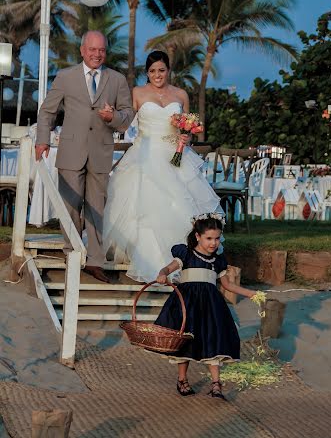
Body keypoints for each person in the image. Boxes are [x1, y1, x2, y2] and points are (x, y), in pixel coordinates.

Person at [103, 50, 222, 282]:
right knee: (146, 209)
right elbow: (124, 121)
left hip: (176, 155)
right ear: (147, 73)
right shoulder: (137, 92)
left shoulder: (180, 94)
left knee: (180, 204)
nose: (157, 75)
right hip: (145, 155)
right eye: (152, 71)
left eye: (161, 70)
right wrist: (111, 116)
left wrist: (188, 137)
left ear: (168, 70)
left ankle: (183, 259)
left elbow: (191, 127)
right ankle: (147, 259)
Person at [35, 31, 134, 283]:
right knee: (70, 207)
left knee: (96, 208)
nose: (97, 54)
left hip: (101, 152)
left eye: (101, 50)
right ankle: (72, 255)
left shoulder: (117, 79)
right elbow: (47, 111)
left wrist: (112, 118)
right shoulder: (66, 77)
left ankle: (95, 262)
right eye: (92, 49)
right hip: (70, 151)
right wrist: (43, 139)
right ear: (82, 50)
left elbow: (127, 116)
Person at [154, 214, 257, 399]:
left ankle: (216, 383)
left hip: (211, 306)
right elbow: (168, 269)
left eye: (217, 238)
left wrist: (250, 293)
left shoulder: (218, 261)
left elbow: (227, 285)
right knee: (184, 340)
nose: (213, 243)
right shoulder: (186, 254)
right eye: (209, 238)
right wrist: (162, 274)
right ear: (197, 236)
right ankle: (182, 379)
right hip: (187, 304)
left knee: (213, 338)